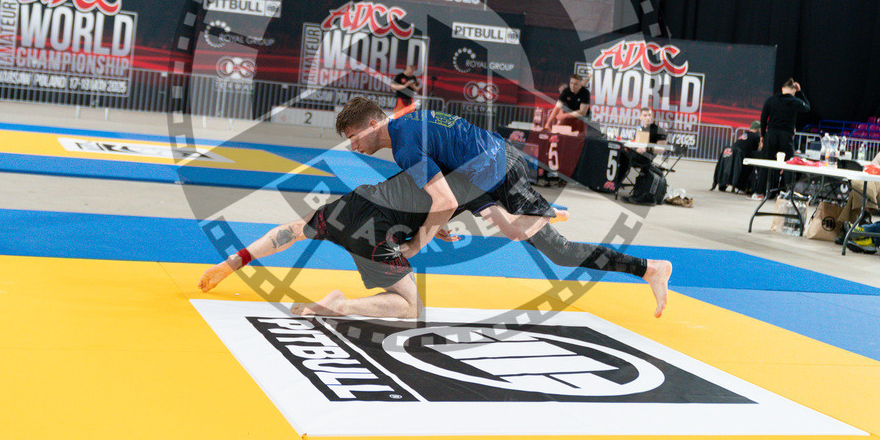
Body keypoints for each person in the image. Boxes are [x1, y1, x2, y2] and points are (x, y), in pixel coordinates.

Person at [332, 96, 672, 317]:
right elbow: (444, 190)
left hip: (496, 170)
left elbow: (445, 199)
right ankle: (648, 268)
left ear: (373, 124)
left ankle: (547, 215)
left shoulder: (404, 144)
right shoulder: (408, 126)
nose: (352, 145)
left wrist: (419, 241)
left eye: (353, 136)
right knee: (519, 233)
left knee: (550, 247)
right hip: (480, 173)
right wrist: (440, 218)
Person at [200, 169, 670, 317]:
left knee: (301, 227)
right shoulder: (480, 177)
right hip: (389, 230)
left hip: (358, 208)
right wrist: (428, 233)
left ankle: (648, 269)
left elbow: (287, 233)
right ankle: (338, 307)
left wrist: (232, 263)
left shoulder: (428, 162)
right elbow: (477, 216)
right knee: (409, 310)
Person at [752, 78, 810, 199]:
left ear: (782, 89)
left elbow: (763, 119)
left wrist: (763, 135)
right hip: (786, 136)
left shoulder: (771, 100)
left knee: (766, 163)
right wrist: (800, 93)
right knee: (788, 164)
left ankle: (760, 192)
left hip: (771, 134)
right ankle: (786, 192)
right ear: (793, 90)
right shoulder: (795, 101)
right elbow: (807, 108)